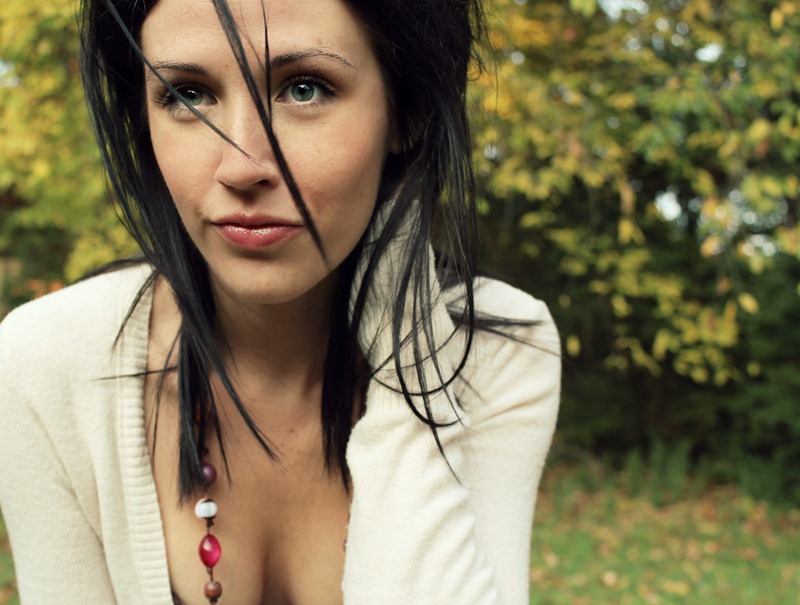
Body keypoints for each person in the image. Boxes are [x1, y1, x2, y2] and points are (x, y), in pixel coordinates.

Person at [0, 0, 561, 602]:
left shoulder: (498, 355)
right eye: (188, 95)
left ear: (409, 109)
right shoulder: (47, 365)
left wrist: (409, 362)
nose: (242, 165)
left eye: (304, 88)